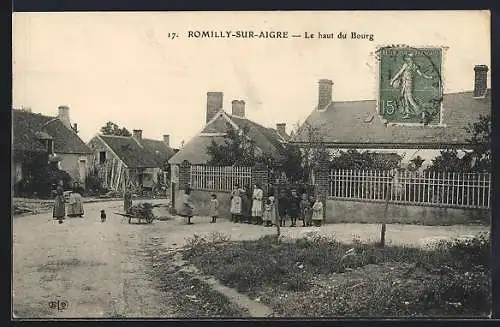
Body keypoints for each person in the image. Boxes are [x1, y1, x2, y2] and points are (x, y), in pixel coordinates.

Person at [389, 53, 434, 119]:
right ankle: (408, 113)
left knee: (410, 99)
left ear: (410, 58)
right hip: (406, 83)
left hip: (408, 83)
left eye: (408, 58)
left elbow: (399, 73)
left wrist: (393, 80)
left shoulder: (407, 65)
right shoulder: (414, 65)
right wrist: (428, 77)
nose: (407, 59)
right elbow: (421, 74)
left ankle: (422, 112)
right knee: (406, 98)